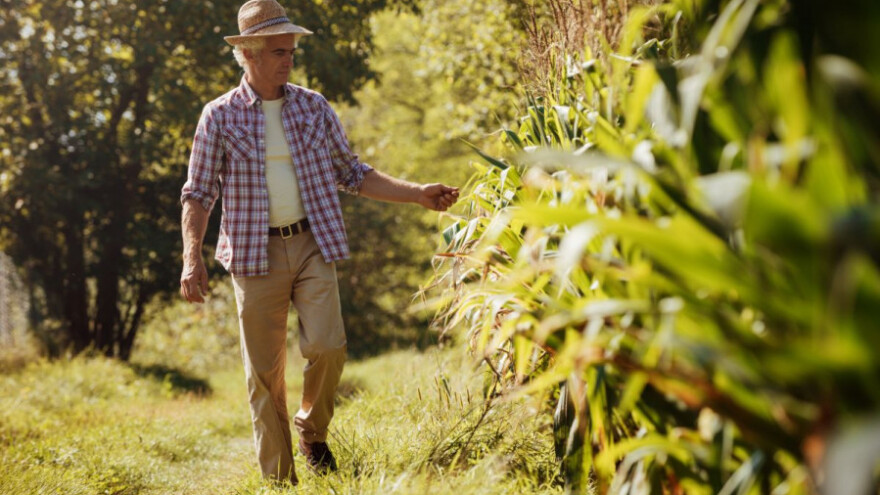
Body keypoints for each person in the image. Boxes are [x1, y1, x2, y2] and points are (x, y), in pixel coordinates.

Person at [178, 0, 459, 485]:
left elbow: (352, 173)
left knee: (328, 347)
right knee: (264, 376)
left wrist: (417, 195)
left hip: (312, 243)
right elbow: (198, 194)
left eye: (292, 50)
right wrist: (191, 258)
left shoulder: (313, 106)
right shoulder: (218, 116)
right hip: (252, 254)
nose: (290, 59)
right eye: (280, 51)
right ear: (250, 54)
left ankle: (312, 430)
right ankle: (279, 481)